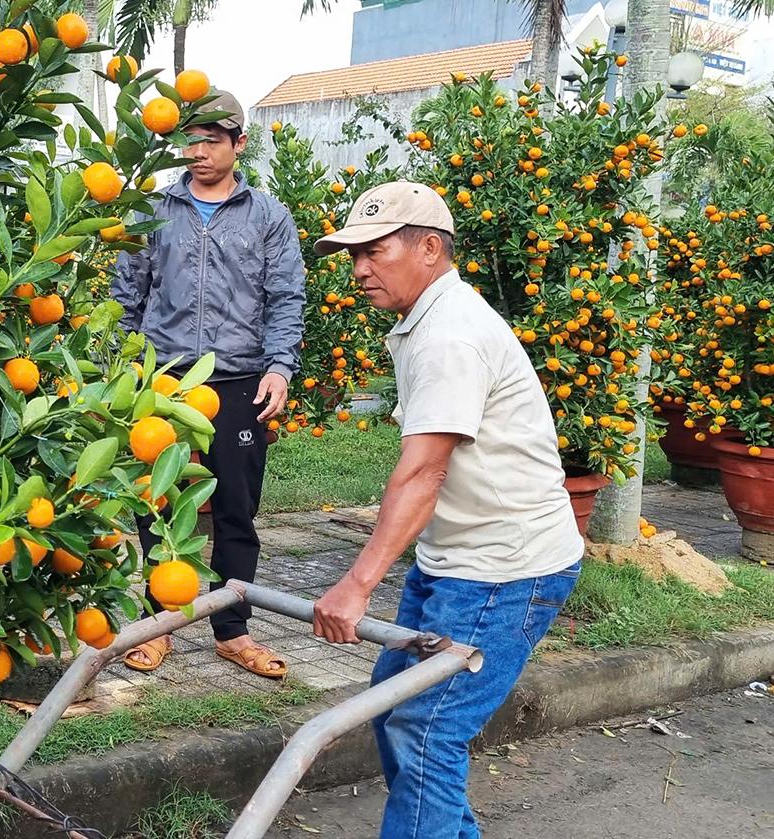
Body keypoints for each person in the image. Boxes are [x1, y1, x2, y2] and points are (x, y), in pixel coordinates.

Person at [310, 181, 585, 838]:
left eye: (374, 252)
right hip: (456, 559)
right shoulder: (430, 321)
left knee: (426, 729)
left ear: (429, 248)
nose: (359, 271)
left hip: (506, 569)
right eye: (353, 256)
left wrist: (357, 582)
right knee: (398, 713)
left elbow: (422, 470)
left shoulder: (450, 336)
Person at [110, 90, 305, 679]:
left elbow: (286, 298)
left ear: (238, 143)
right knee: (157, 500)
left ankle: (232, 628)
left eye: (210, 141)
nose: (196, 152)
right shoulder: (153, 210)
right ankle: (160, 623)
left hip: (241, 380)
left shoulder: (268, 216)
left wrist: (279, 367)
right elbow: (127, 296)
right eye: (188, 141)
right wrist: (121, 366)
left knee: (236, 509)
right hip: (163, 380)